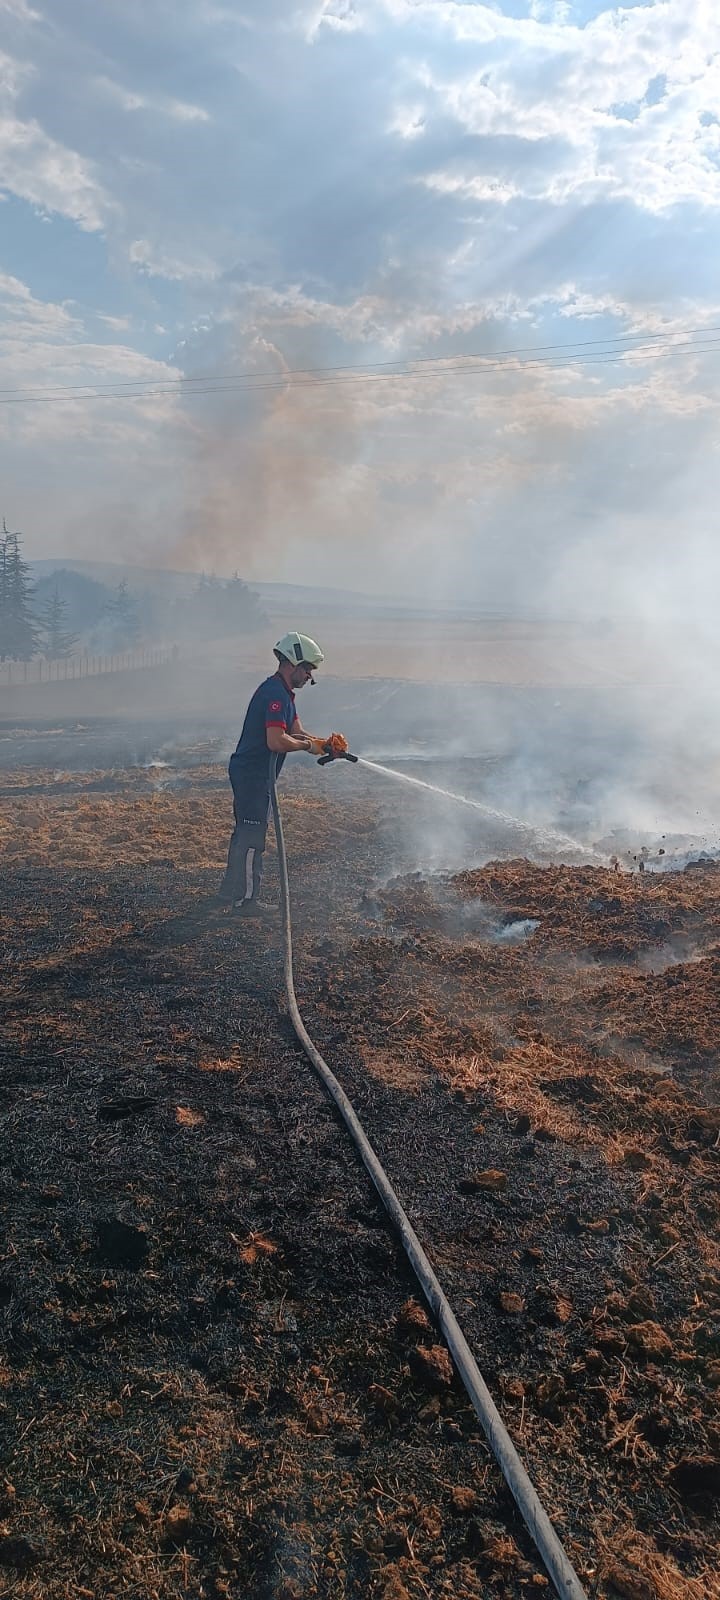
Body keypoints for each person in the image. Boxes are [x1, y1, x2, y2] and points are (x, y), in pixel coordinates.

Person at [217, 632, 328, 916]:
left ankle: (230, 891)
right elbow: (276, 741)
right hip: (253, 776)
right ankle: (246, 901)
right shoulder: (274, 695)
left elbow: (297, 733)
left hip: (253, 774)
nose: (309, 678)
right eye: (307, 670)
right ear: (292, 663)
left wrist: (325, 745)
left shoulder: (283, 694)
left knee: (244, 832)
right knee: (253, 836)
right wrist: (307, 746)